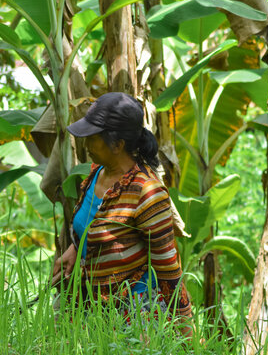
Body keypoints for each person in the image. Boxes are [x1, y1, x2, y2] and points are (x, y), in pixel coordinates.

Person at [53, 92, 192, 334]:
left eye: (92, 138)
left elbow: (168, 268)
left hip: (132, 317)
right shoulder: (98, 172)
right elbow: (96, 224)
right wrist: (76, 248)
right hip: (93, 309)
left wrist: (187, 332)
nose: (85, 145)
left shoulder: (147, 193)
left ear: (118, 145)